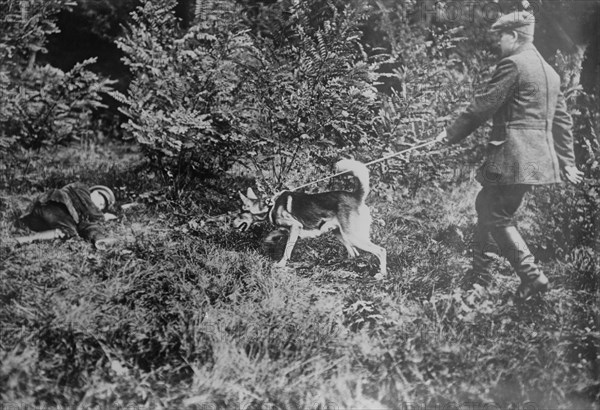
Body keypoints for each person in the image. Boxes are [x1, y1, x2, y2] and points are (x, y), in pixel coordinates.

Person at [435, 11, 583, 300]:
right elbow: (562, 120)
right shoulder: (550, 72)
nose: (499, 43)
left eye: (501, 37)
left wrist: (449, 134)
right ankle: (482, 276)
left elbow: (483, 106)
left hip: (512, 154)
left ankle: (532, 276)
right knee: (488, 205)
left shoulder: (513, 64)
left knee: (496, 213)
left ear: (513, 36)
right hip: (537, 160)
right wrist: (568, 162)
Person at [14, 183, 117, 247]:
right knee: (68, 230)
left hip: (41, 223)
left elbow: (88, 226)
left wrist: (98, 237)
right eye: (101, 201)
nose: (99, 206)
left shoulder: (84, 215)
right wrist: (103, 217)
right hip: (52, 204)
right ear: (95, 193)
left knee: (67, 233)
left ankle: (23, 240)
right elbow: (92, 210)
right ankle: (21, 239)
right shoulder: (81, 188)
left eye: (102, 206)